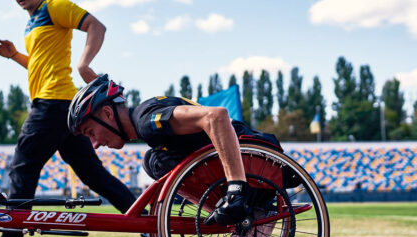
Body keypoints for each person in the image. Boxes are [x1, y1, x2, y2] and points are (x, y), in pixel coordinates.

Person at [0, 0, 155, 237]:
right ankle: (149, 229)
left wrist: (84, 65)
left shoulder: (55, 7)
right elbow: (41, 65)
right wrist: (15, 55)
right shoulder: (31, 25)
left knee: (22, 169)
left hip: (52, 104)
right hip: (63, 108)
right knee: (94, 176)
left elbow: (97, 26)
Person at [68, 74, 288, 226]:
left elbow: (216, 116)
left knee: (157, 161)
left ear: (107, 114)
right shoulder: (146, 124)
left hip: (256, 163)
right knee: (153, 161)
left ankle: (249, 204)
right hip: (250, 164)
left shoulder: (146, 121)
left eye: (90, 132)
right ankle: (244, 207)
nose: (94, 144)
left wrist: (236, 190)